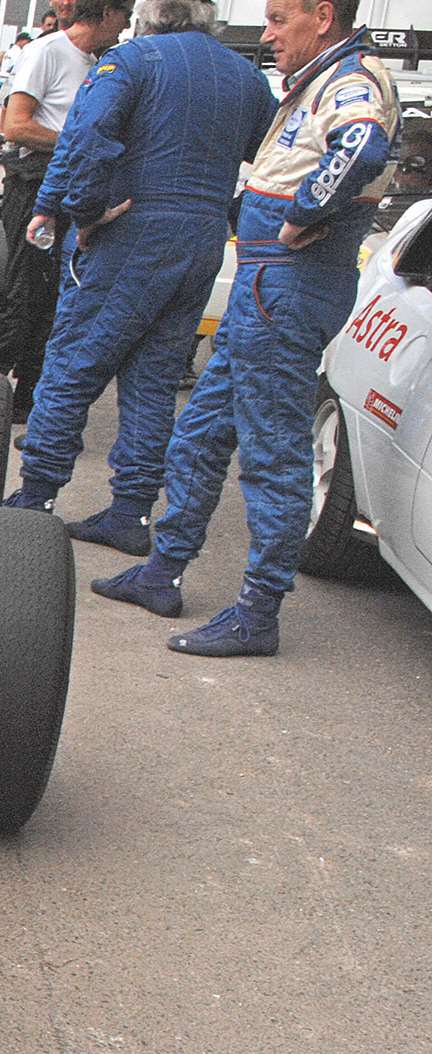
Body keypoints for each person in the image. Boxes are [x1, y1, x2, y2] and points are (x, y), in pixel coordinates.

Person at [90, 0, 396, 657]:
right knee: (200, 433)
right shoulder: (323, 78)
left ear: (322, 15)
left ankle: (258, 613)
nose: (268, 34)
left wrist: (306, 211)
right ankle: (163, 571)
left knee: (273, 457)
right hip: (269, 285)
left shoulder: (352, 80)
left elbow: (362, 144)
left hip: (288, 287)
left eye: (279, 19)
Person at [2, 0, 273, 549]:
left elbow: (84, 136)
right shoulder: (247, 78)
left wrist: (78, 210)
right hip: (201, 238)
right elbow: (273, 157)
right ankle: (131, 510)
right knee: (154, 380)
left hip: (131, 230)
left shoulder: (132, 61)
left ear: (151, 17)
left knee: (73, 363)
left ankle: (37, 495)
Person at [0, 0, 131, 418]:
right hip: (36, 184)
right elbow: (16, 125)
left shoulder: (99, 63)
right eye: (125, 13)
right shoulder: (47, 51)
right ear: (107, 13)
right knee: (23, 290)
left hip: (74, 185)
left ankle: (29, 395)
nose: (128, 23)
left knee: (55, 298)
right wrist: (81, 142)